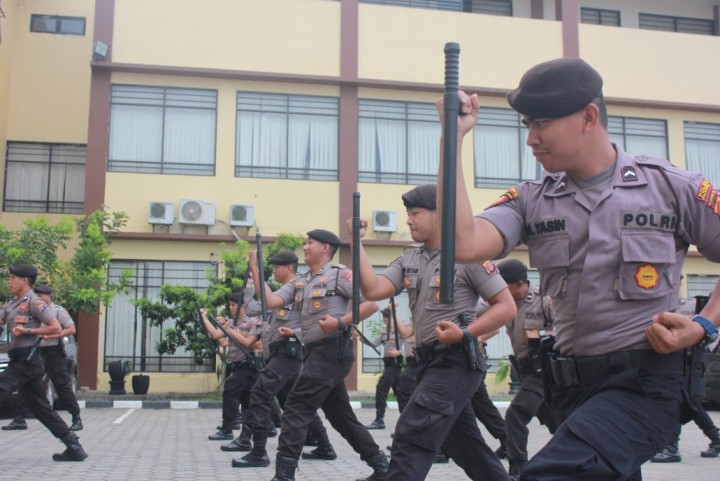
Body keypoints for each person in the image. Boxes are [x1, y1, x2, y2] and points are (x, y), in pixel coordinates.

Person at [436, 57, 720, 480]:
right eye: (526, 124)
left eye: (542, 123)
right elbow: (462, 243)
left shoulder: (672, 187)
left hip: (645, 383)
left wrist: (704, 324)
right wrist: (451, 138)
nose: (531, 138)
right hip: (569, 389)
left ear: (589, 116)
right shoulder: (530, 199)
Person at [347, 183, 516, 481]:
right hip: (426, 362)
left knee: (413, 432)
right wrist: (356, 242)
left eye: (415, 213)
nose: (409, 220)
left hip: (456, 360)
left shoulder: (467, 256)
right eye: (408, 213)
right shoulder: (409, 259)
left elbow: (505, 307)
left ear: (439, 215)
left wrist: (466, 332)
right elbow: (373, 290)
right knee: (464, 445)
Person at [248, 229, 384, 481]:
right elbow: (271, 300)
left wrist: (341, 322)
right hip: (314, 353)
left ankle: (284, 475)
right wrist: (256, 270)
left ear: (325, 248)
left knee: (296, 407)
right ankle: (382, 466)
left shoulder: (338, 275)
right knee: (340, 416)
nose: (305, 246)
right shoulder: (301, 280)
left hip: (332, 350)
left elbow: (370, 303)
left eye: (310, 243)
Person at [229, 250, 337, 469]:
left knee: (260, 393)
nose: (274, 270)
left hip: (289, 352)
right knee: (295, 402)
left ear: (288, 268)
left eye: (277, 267)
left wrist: (296, 332)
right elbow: (252, 309)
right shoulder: (281, 294)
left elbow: (314, 317)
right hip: (277, 355)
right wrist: (251, 283)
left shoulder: (303, 288)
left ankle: (258, 451)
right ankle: (325, 446)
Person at [0, 264, 88, 461]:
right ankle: (73, 446)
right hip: (21, 361)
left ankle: (73, 444)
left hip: (27, 360)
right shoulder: (13, 304)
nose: (10, 281)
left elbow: (55, 328)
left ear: (24, 280)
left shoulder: (35, 303)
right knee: (41, 409)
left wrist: (29, 331)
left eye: (13, 278)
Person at [493, 259, 558, 479]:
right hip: (525, 369)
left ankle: (518, 467)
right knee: (558, 423)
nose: (501, 291)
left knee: (515, 414)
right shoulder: (503, 303)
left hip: (543, 371)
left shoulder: (544, 301)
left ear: (520, 284)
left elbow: (566, 328)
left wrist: (541, 336)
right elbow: (480, 313)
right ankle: (584, 458)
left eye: (505, 286)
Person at [650, 285, 720, 462]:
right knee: (688, 400)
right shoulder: (666, 306)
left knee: (681, 399)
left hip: (691, 358)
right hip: (677, 358)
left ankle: (672, 447)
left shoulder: (693, 305)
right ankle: (716, 437)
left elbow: (708, 331)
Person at [204, 293, 262, 442]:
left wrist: (237, 336)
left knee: (230, 391)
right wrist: (204, 317)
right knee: (248, 401)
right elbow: (218, 337)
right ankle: (260, 428)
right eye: (230, 305)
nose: (230, 308)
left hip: (249, 365)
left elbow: (259, 345)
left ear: (243, 306)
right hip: (238, 366)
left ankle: (227, 429)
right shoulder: (232, 322)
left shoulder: (252, 322)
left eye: (233, 305)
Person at [366, 306, 403, 431]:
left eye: (387, 317)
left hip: (396, 364)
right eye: (384, 317)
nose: (385, 320)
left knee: (381, 387)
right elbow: (374, 344)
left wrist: (399, 352)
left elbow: (411, 345)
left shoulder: (401, 330)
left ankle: (379, 420)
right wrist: (360, 337)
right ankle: (407, 422)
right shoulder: (384, 331)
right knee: (401, 394)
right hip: (388, 363)